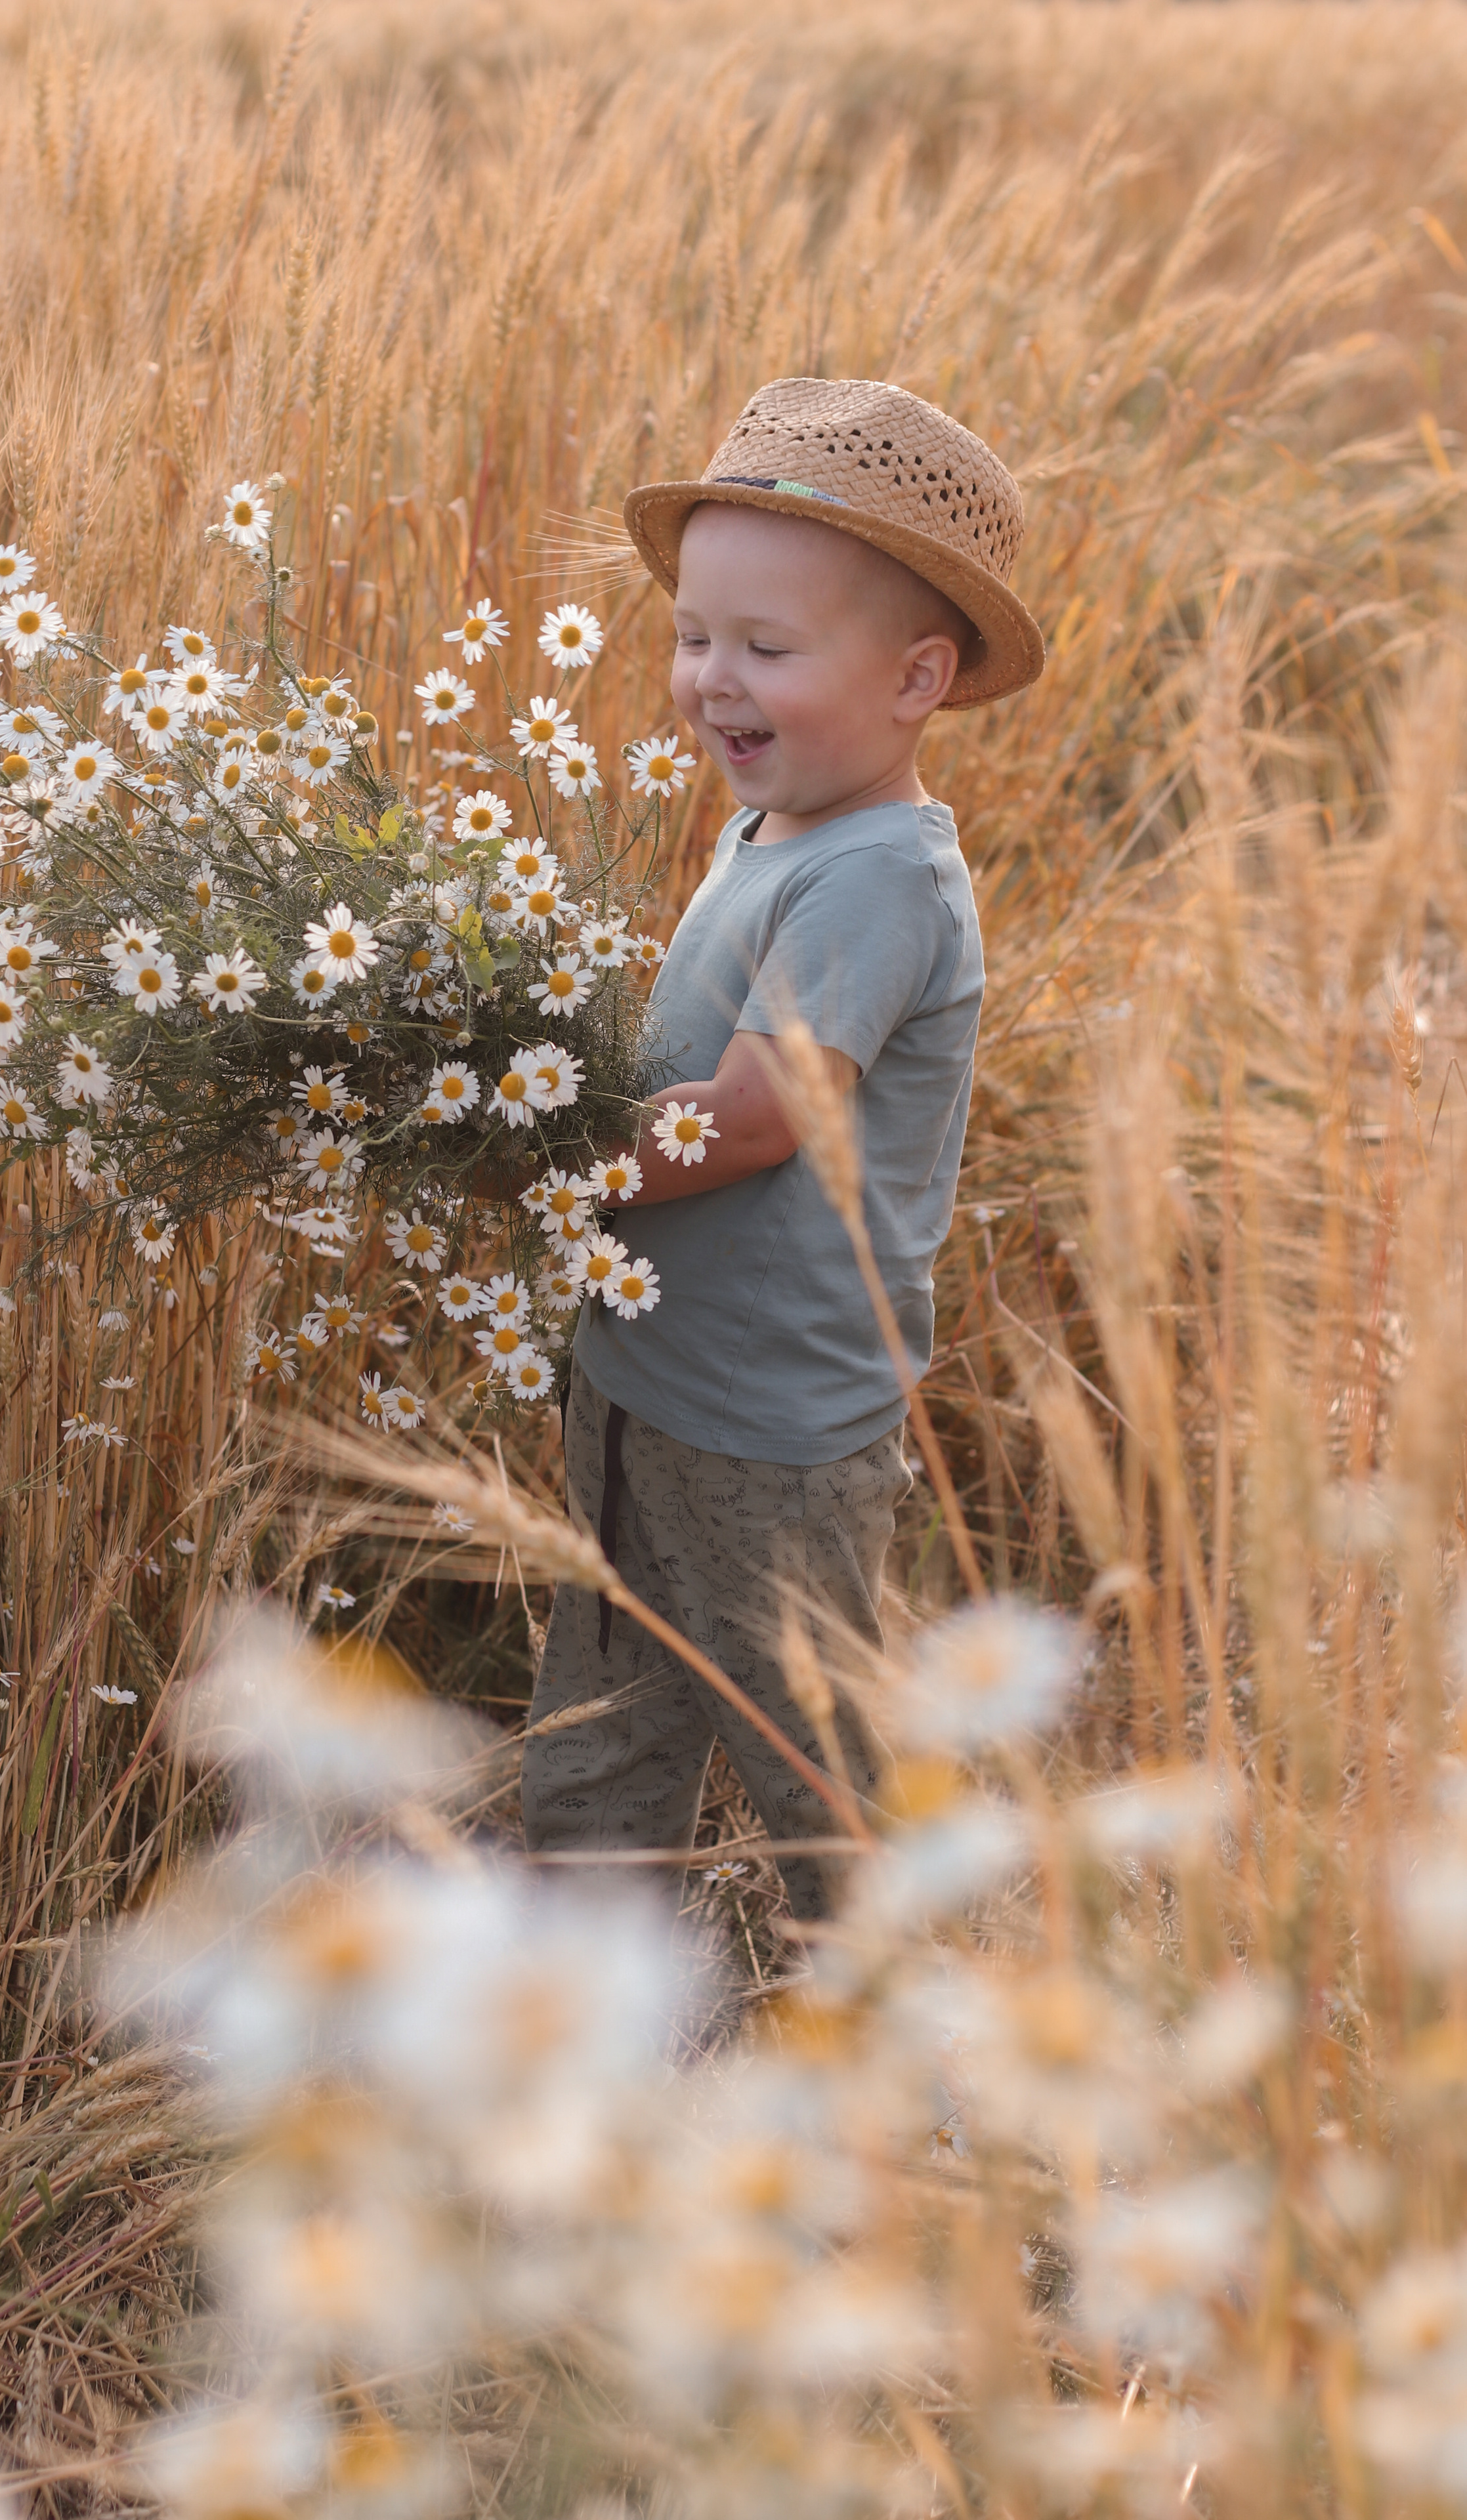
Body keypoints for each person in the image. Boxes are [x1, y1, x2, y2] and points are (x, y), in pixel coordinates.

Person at [521, 375, 1045, 1923]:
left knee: (811, 1750)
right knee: (601, 1720)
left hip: (772, 1427)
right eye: (693, 636)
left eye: (766, 648)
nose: (708, 680)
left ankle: (901, 2041)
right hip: (641, 1380)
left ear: (913, 679)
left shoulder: (880, 878)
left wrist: (536, 1145)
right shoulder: (779, 825)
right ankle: (586, 2008)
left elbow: (757, 1118)